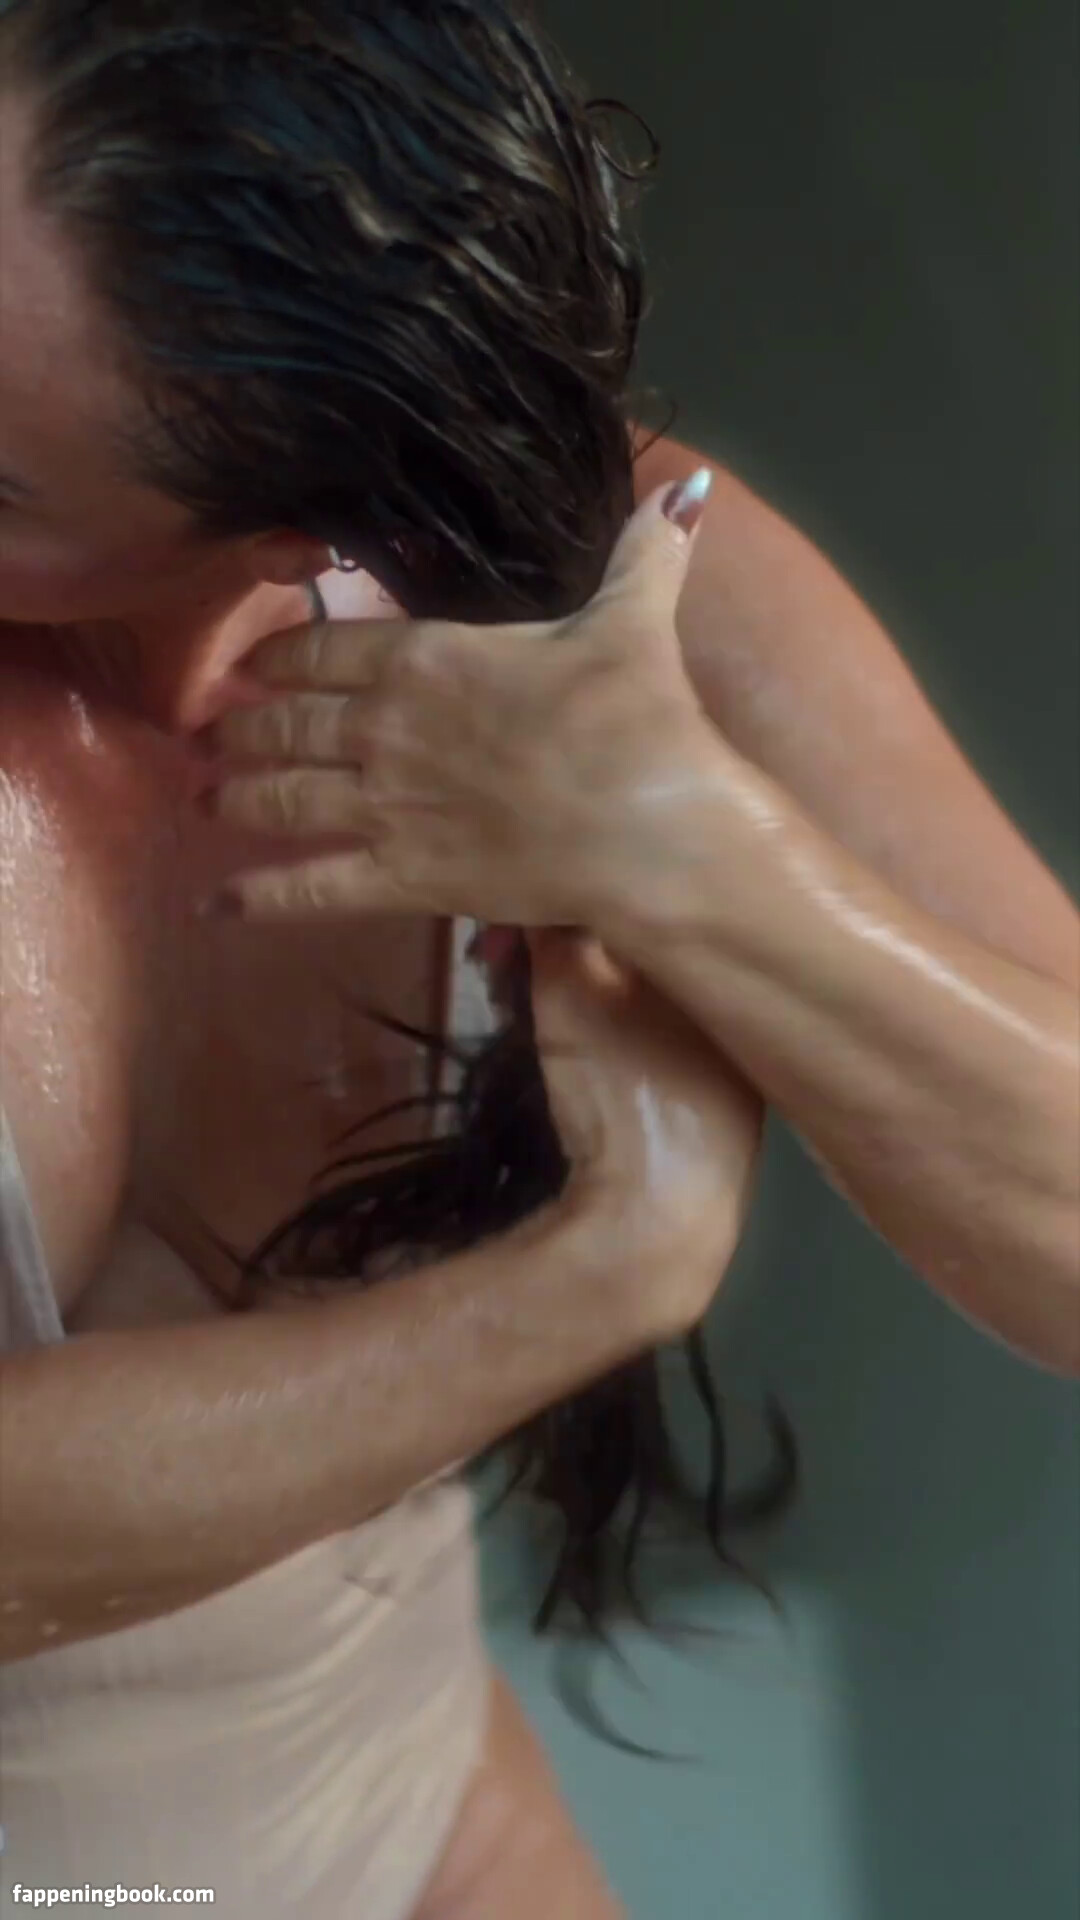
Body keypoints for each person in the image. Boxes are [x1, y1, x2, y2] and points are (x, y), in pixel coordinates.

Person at [0, 2, 1076, 1916]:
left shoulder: (611, 589)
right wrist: (610, 1267)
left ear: (301, 522)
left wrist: (692, 851)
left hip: (420, 1815)